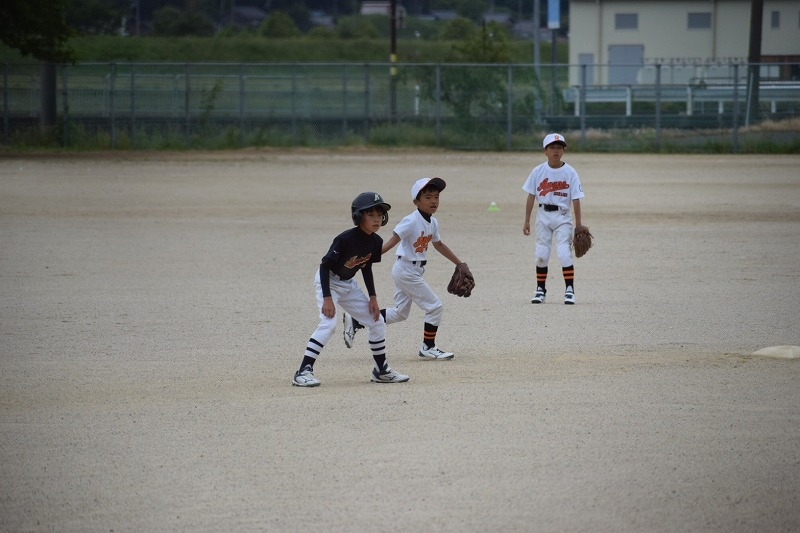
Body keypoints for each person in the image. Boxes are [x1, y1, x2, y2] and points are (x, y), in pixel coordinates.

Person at [292, 192, 410, 387]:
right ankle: (303, 371)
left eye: (379, 214)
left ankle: (381, 371)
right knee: (329, 324)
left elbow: (366, 267)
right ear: (358, 216)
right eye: (371, 214)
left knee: (377, 321)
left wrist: (373, 297)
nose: (377, 219)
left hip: (347, 284)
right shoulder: (345, 239)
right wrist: (327, 298)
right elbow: (324, 266)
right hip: (328, 281)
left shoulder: (376, 241)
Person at [342, 177, 466, 360]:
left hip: (412, 271)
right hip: (406, 270)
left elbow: (439, 244)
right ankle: (428, 347)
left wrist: (459, 263)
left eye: (436, 197)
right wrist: (369, 256)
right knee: (435, 306)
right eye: (428, 197)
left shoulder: (433, 222)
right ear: (416, 201)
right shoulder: (411, 221)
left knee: (400, 313)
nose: (433, 201)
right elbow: (393, 240)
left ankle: (356, 320)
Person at [522, 133, 586, 305]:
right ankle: (540, 289)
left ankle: (570, 290)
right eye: (552, 148)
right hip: (543, 215)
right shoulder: (538, 171)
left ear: (563, 151)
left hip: (563, 216)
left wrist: (579, 225)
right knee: (541, 255)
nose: (556, 151)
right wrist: (527, 220)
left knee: (564, 253)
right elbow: (531, 196)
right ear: (545, 151)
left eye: (559, 148)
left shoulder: (570, 172)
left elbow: (576, 199)